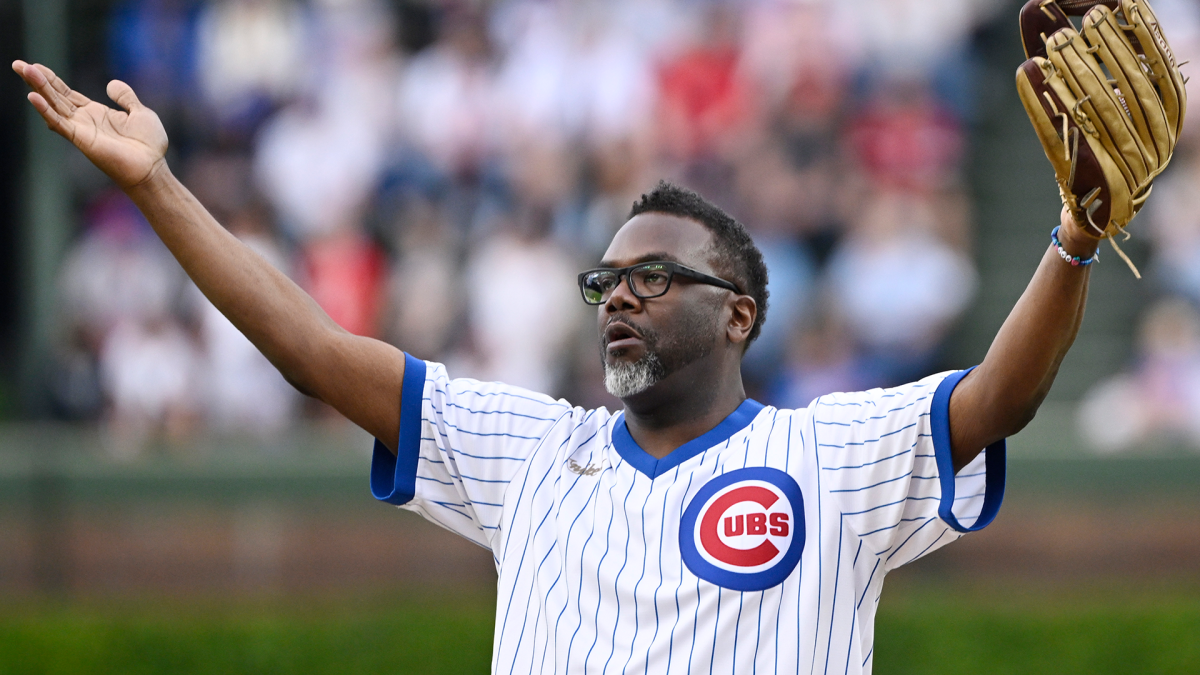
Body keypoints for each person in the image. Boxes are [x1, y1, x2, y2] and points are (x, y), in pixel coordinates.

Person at [13, 59, 1099, 673]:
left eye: (657, 275)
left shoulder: (823, 452)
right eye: (606, 281)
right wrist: (158, 186)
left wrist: (1073, 242)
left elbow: (1002, 395)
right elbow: (310, 349)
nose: (619, 292)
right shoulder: (533, 450)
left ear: (741, 318)